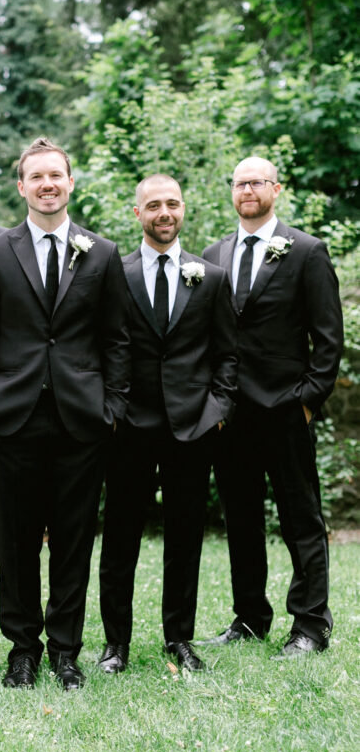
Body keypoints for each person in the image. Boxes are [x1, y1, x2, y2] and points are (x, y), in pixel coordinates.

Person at [0, 137, 130, 690]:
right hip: (10, 419)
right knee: (14, 541)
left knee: (74, 539)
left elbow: (116, 339)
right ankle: (23, 649)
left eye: (56, 175)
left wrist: (111, 407)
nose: (47, 184)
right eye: (36, 177)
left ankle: (65, 650)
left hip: (82, 421)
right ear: (21, 187)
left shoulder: (101, 252)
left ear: (70, 182)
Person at [201, 156, 343, 657]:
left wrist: (305, 401)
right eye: (239, 183)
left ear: (275, 189)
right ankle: (250, 617)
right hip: (231, 415)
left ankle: (310, 624)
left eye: (256, 182)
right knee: (240, 520)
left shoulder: (306, 251)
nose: (247, 190)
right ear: (232, 191)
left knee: (300, 519)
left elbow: (328, 339)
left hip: (285, 410)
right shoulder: (212, 254)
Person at [98, 174, 238, 673]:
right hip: (129, 428)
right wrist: (111, 412)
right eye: (153, 205)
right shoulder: (115, 271)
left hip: (192, 430)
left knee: (185, 539)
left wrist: (216, 413)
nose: (164, 213)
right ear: (137, 213)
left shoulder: (211, 276)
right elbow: (102, 344)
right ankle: (116, 645)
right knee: (119, 540)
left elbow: (226, 355)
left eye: (172, 204)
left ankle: (179, 638)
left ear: (183, 210)